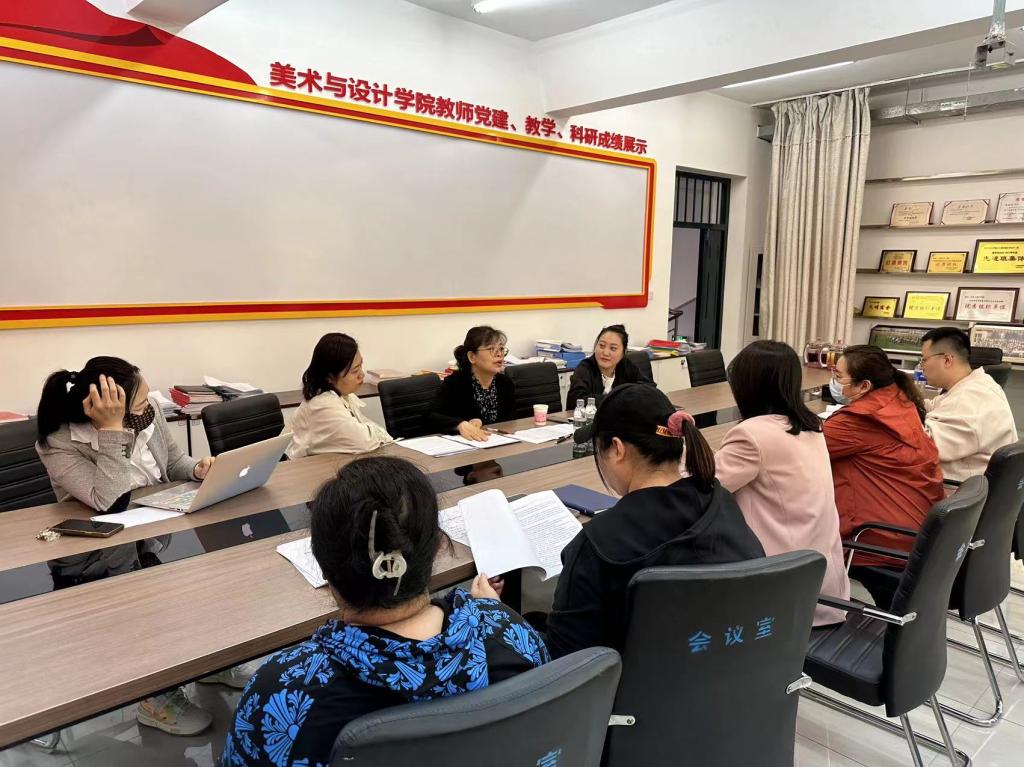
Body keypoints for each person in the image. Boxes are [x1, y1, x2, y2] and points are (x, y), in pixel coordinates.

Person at [221, 456, 548, 767]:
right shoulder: (512, 635)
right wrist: (490, 612)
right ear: (437, 547)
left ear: (322, 564)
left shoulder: (284, 690)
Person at [34, 356, 224, 735]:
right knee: (151, 604)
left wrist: (196, 469)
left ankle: (213, 661)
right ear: (101, 407)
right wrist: (112, 430)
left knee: (211, 574)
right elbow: (108, 500)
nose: (148, 409)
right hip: (97, 552)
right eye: (137, 405)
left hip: (153, 531)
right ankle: (154, 697)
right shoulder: (59, 441)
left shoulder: (145, 413)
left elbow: (173, 461)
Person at [544, 384, 764, 659]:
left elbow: (565, 663)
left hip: (631, 685)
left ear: (617, 449)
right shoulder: (721, 503)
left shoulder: (598, 543)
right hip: (733, 670)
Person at [714, 341, 850, 626]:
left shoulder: (752, 434)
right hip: (823, 587)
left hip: (777, 596)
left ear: (749, 386)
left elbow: (700, 487)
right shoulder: (811, 426)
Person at [823, 345, 945, 568]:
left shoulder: (860, 419)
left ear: (864, 385)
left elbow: (802, 451)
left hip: (878, 543)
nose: (834, 381)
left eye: (839, 376)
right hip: (918, 534)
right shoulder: (899, 399)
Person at [918, 327, 1016, 482]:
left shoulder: (969, 398)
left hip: (957, 488)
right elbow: (936, 406)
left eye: (924, 360)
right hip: (972, 482)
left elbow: (923, 445)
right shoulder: (975, 383)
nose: (921, 366)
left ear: (947, 360)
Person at [286, 333, 393, 459]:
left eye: (361, 366)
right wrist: (375, 433)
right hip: (304, 468)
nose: (362, 375)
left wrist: (373, 432)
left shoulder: (343, 395)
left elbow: (371, 434)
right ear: (330, 377)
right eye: (355, 371)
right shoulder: (322, 404)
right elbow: (365, 441)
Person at [427, 326, 516, 441]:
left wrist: (482, 422)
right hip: (466, 447)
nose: (499, 354)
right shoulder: (455, 383)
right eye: (491, 349)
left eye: (501, 349)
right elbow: (430, 417)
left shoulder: (505, 383)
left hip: (497, 443)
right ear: (472, 357)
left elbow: (510, 421)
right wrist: (459, 424)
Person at [566, 324, 654, 408]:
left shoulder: (626, 366)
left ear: (623, 352)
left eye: (613, 348)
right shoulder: (585, 368)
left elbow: (649, 390)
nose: (605, 353)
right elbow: (577, 400)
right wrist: (620, 400)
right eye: (601, 346)